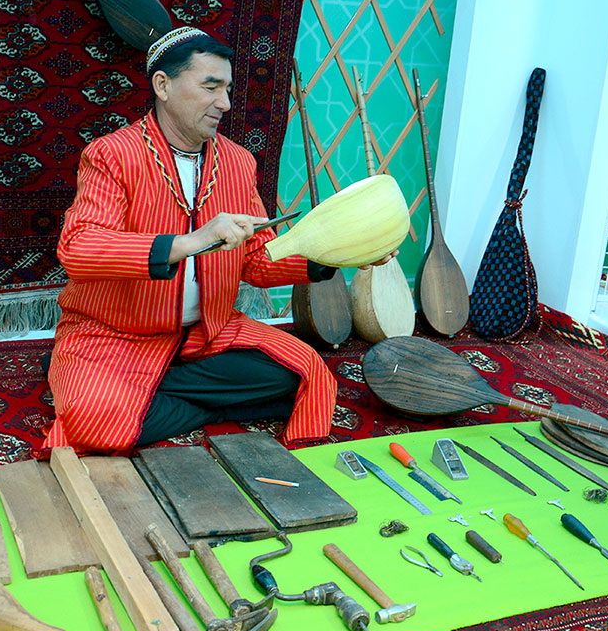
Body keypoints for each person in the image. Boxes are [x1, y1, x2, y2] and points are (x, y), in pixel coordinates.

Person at [43, 26, 366, 452]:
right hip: (117, 333)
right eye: (211, 87)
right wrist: (191, 241)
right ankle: (165, 393)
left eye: (227, 89)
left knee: (303, 372)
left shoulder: (237, 163)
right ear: (163, 85)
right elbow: (79, 248)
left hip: (209, 334)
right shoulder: (112, 155)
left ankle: (151, 393)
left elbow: (257, 259)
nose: (225, 103)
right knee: (94, 422)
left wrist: (338, 253)